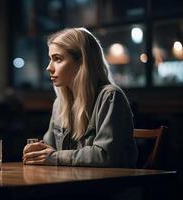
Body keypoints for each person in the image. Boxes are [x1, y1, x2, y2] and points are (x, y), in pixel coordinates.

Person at [22, 27, 138, 168]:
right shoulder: (60, 103)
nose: (49, 67)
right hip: (70, 184)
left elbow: (105, 156)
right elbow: (49, 148)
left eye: (57, 59)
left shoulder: (110, 97)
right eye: (50, 59)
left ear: (82, 62)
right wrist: (37, 151)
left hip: (107, 187)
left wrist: (54, 157)